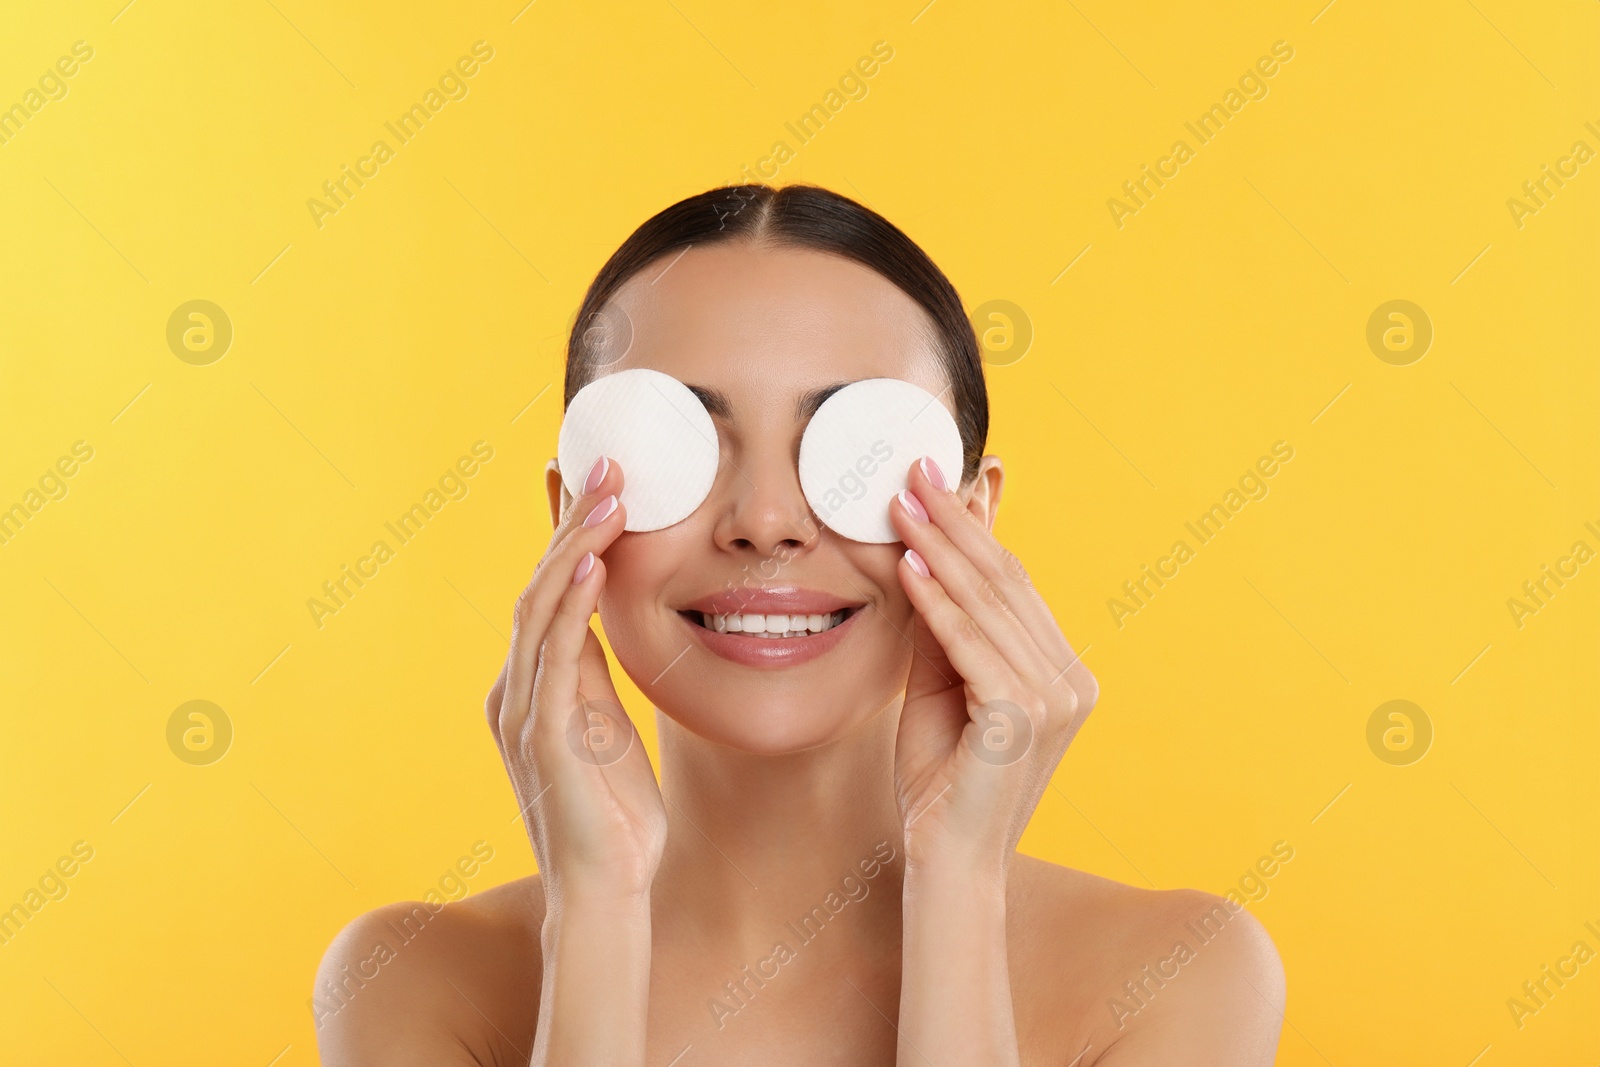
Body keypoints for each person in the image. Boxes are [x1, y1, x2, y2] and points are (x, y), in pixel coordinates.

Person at [315, 184, 1285, 1065]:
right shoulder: (410, 982)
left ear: (972, 518)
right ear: (569, 516)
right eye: (677, 444)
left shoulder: (1177, 974)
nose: (765, 519)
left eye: (854, 450)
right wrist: (596, 913)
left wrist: (958, 889)